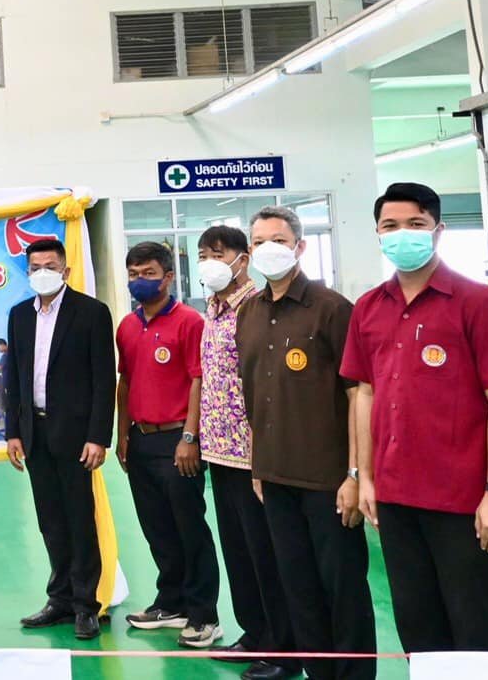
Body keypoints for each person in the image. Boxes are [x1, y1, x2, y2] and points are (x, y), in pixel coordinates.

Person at [343, 182, 488, 654]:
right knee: (417, 626)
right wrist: (365, 477)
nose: (401, 234)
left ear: (438, 230)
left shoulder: (478, 303)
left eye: (415, 224)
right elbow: (365, 394)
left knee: (475, 626)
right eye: (390, 226)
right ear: (377, 234)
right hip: (395, 499)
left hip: (462, 501)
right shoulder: (369, 308)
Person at [237, 206, 373, 680]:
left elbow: (358, 396)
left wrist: (355, 475)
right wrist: (259, 466)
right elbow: (254, 394)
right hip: (275, 476)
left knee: (343, 587)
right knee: (297, 585)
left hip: (328, 479)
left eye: (278, 240)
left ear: (300, 246)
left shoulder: (332, 309)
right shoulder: (249, 312)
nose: (268, 249)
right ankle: (318, 673)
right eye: (259, 242)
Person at [195, 227, 295, 680]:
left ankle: (282, 646)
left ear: (243, 258)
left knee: (266, 554)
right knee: (238, 552)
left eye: (218, 254)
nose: (209, 262)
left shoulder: (255, 307)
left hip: (254, 454)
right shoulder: (213, 309)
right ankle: (254, 633)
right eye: (203, 254)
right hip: (220, 452)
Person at [2, 239, 114, 640]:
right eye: (35, 267)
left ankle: (86, 605)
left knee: (80, 519)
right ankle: (59, 598)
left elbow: (104, 379)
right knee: (50, 519)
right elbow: (13, 377)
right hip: (35, 432)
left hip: (76, 435)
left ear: (65, 270)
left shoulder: (91, 313)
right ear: (27, 272)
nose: (43, 273)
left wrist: (98, 436)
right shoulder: (19, 316)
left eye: (50, 266)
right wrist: (13, 431)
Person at [115, 241, 222, 649]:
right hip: (141, 441)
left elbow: (198, 379)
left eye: (149, 273)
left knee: (189, 529)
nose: (140, 281)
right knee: (157, 529)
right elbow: (125, 382)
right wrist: (122, 435)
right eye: (134, 274)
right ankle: (171, 603)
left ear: (169, 277)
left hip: (178, 440)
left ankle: (204, 615)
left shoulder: (189, 322)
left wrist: (190, 437)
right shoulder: (127, 326)